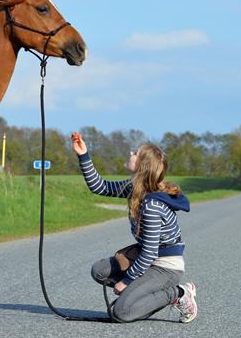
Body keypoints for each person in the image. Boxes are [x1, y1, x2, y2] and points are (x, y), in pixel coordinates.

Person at [71, 133, 198, 323]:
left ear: (142, 165)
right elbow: (100, 187)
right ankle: (137, 292)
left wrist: (126, 281)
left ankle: (179, 293)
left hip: (165, 267)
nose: (131, 153)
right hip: (146, 259)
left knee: (121, 313)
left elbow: (149, 252)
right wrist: (84, 155)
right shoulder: (134, 188)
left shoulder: (152, 205)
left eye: (135, 153)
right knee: (99, 270)